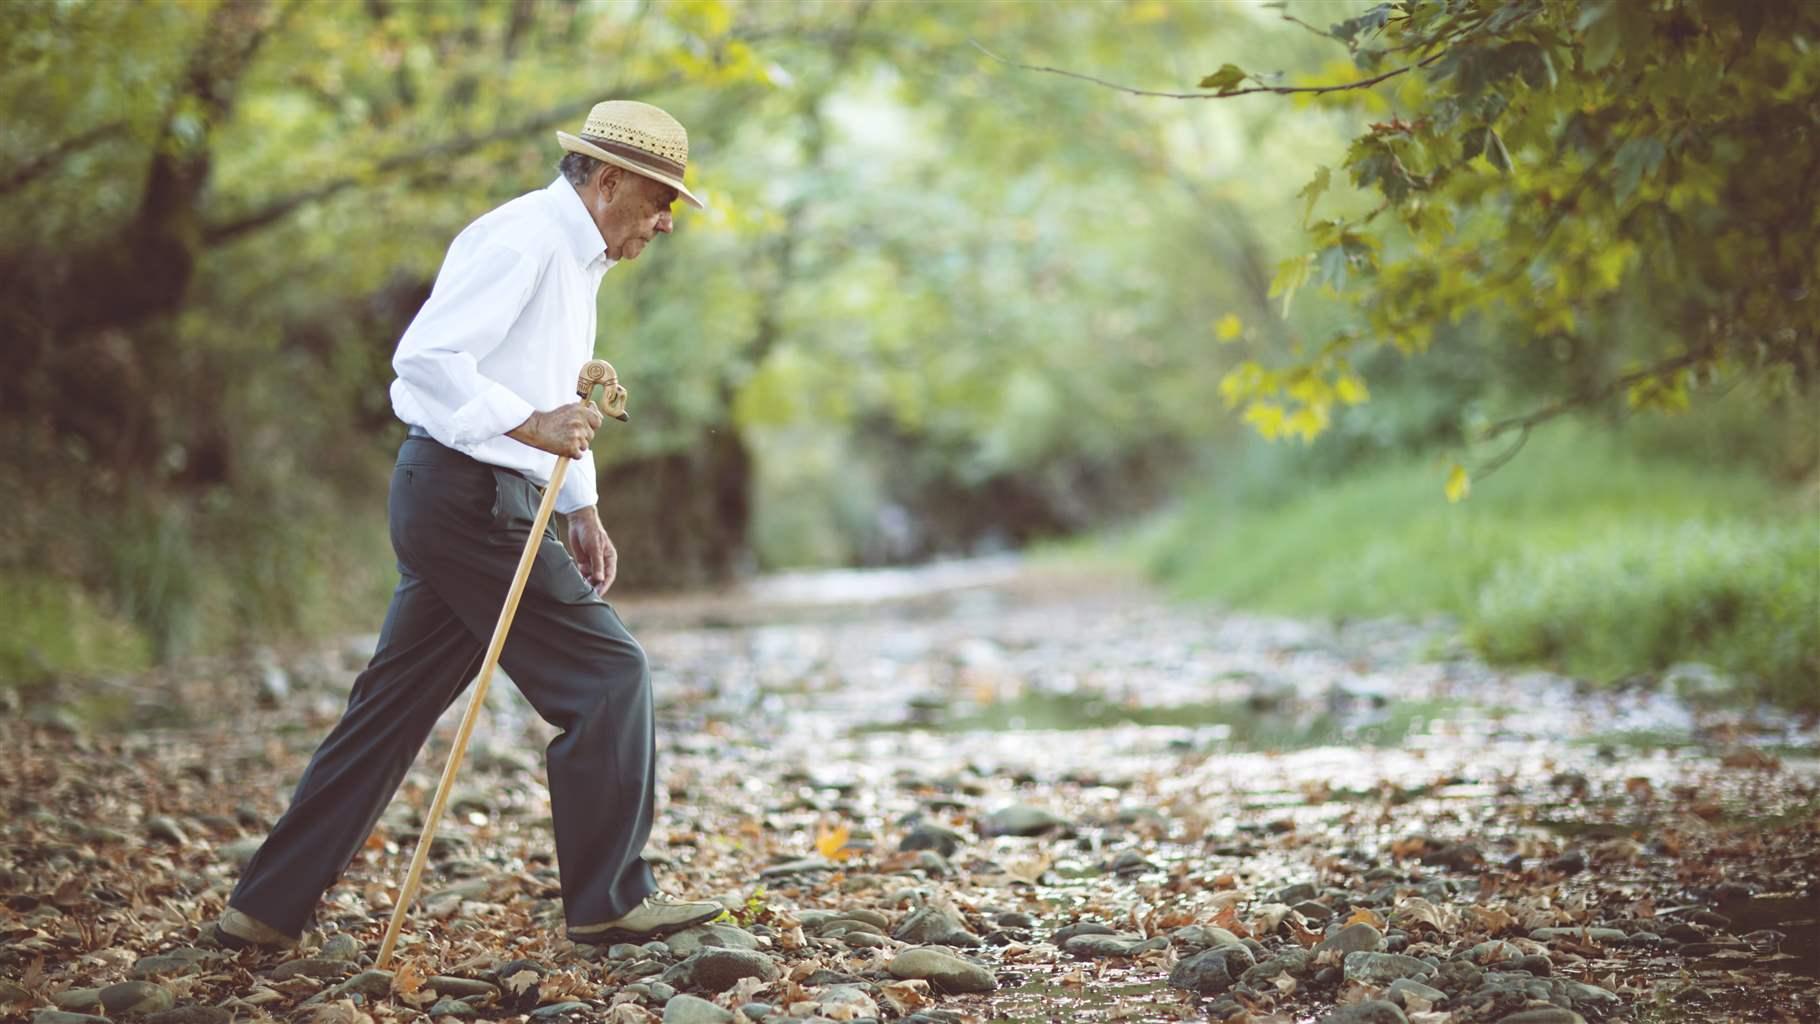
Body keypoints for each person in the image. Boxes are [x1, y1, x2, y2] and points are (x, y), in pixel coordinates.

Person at [213, 100, 722, 951]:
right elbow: (427, 361)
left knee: (387, 713)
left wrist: (581, 508)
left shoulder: (575, 255)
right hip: (468, 501)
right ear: (608, 180)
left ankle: (262, 910)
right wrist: (531, 427)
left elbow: (560, 395)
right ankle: (608, 901)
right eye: (660, 197)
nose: (666, 221)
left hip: (472, 499)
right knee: (609, 675)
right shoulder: (522, 238)